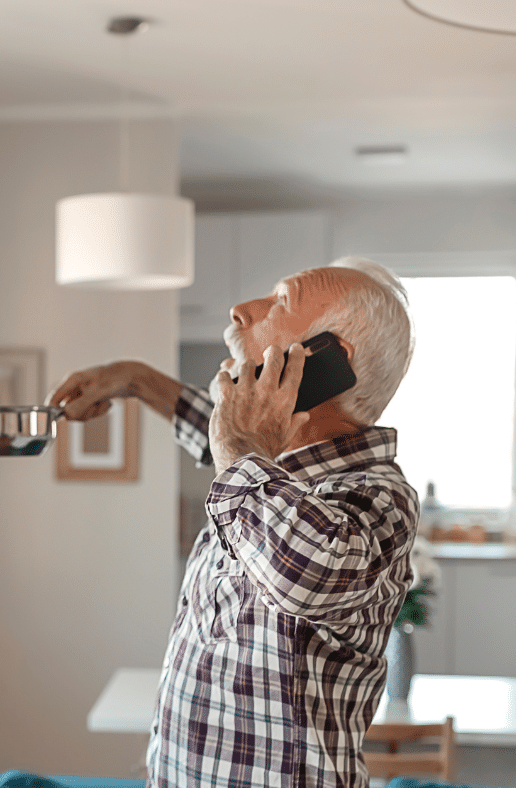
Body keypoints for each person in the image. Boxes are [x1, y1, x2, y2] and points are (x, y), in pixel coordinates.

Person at [47, 256, 419, 788]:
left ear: (328, 361)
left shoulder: (376, 497)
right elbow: (224, 443)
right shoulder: (265, 472)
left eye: (280, 302)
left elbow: (303, 570)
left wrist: (238, 446)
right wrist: (132, 379)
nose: (241, 310)